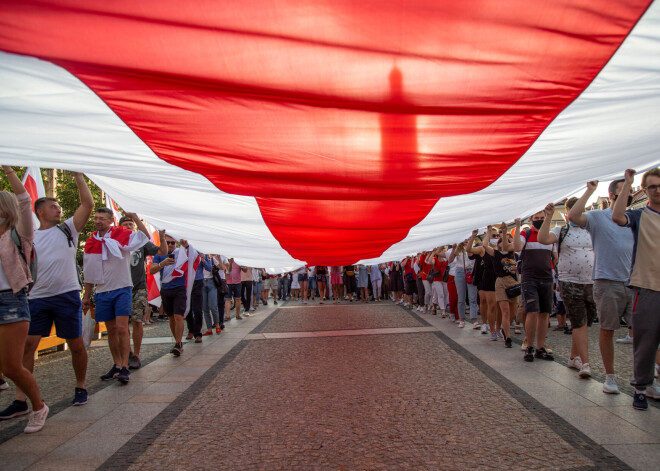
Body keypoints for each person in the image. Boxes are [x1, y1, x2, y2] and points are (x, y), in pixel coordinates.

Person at [3, 171, 93, 419]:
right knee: (28, 346)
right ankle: (21, 399)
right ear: (39, 211)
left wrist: (77, 175)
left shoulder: (68, 230)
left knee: (75, 344)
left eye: (59, 207)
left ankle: (81, 386)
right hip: (37, 297)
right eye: (53, 206)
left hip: (66, 295)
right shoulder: (28, 234)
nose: (59, 210)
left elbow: (88, 204)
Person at [569, 179, 634, 394]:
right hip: (607, 282)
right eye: (626, 190)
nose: (630, 193)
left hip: (634, 282)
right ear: (613, 195)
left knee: (645, 331)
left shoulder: (634, 218)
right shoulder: (599, 217)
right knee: (607, 330)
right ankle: (610, 376)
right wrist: (589, 191)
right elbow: (574, 216)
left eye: (632, 190)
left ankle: (647, 376)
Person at [0, 166, 48, 433]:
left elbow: (24, 200)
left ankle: (39, 407)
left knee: (12, 367)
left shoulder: (19, 234)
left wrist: (8, 171)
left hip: (12, 302)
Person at [82, 209, 150, 383]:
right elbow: (89, 271)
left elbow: (144, 236)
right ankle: (117, 364)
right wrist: (87, 296)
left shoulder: (121, 234)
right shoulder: (91, 241)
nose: (98, 221)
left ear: (111, 220)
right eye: (96, 218)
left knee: (121, 328)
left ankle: (126, 366)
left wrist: (135, 217)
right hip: (103, 290)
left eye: (102, 218)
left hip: (122, 287)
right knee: (111, 329)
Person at [612, 168, 660, 409]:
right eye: (653, 186)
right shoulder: (640, 215)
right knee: (646, 341)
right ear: (645, 191)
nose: (658, 190)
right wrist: (628, 185)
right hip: (647, 287)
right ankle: (641, 387)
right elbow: (617, 217)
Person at [538, 199, 595, 378]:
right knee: (579, 322)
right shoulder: (562, 230)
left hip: (591, 282)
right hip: (569, 281)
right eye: (575, 210)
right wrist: (548, 217)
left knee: (585, 323)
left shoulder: (591, 229)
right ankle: (585, 363)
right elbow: (543, 239)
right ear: (568, 212)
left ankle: (573, 357)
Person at [119, 216, 167, 369]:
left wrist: (162, 237)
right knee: (121, 325)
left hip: (138, 286)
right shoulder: (116, 240)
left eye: (131, 224)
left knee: (137, 321)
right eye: (125, 224)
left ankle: (137, 355)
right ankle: (129, 352)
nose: (128, 227)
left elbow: (162, 251)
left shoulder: (140, 242)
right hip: (120, 286)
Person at [513, 213, 557, 362]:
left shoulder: (550, 236)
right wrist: (518, 226)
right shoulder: (526, 233)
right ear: (531, 220)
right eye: (536, 218)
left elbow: (555, 257)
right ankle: (530, 346)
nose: (539, 220)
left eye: (541, 217)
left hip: (546, 277)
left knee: (545, 313)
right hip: (530, 277)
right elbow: (517, 247)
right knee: (532, 311)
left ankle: (540, 347)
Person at [150, 236, 191, 356]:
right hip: (166, 288)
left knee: (179, 316)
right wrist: (162, 264)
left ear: (176, 243)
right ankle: (177, 341)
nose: (170, 245)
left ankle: (178, 343)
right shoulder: (160, 254)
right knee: (171, 317)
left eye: (173, 242)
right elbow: (152, 270)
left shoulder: (181, 252)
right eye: (168, 242)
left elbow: (194, 256)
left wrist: (186, 246)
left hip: (179, 288)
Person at [483, 224, 519, 347]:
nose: (504, 245)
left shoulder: (513, 254)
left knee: (513, 311)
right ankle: (507, 338)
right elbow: (484, 245)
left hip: (513, 283)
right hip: (501, 282)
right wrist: (488, 232)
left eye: (506, 242)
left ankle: (505, 329)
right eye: (501, 242)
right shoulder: (495, 254)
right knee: (505, 311)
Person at [466, 227, 499, 335]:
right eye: (492, 235)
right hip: (484, 276)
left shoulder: (500, 247)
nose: (495, 238)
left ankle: (496, 326)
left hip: (498, 277)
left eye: (497, 235)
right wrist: (473, 237)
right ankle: (485, 324)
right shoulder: (482, 248)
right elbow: (469, 250)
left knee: (496, 304)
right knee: (485, 301)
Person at [447, 242, 479, 328]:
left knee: (472, 297)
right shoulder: (458, 249)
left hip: (470, 271)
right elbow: (450, 260)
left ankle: (475, 320)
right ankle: (461, 319)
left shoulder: (473, 247)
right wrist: (454, 249)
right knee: (461, 298)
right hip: (459, 271)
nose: (466, 240)